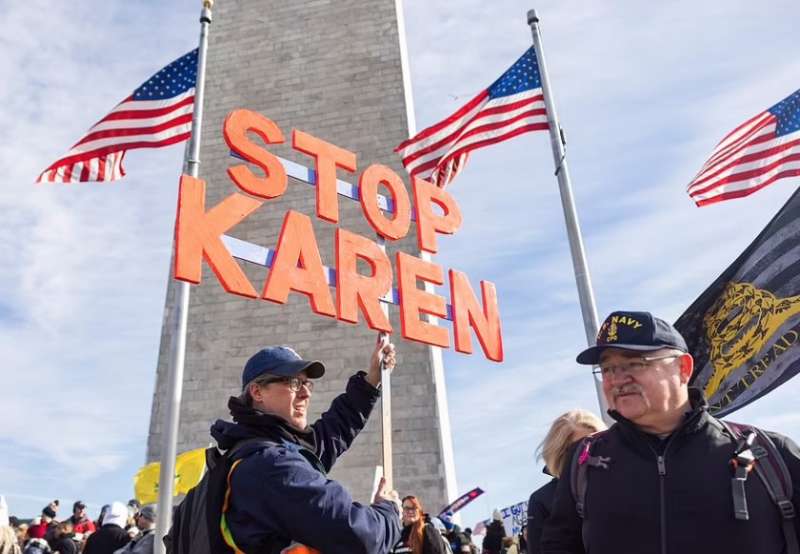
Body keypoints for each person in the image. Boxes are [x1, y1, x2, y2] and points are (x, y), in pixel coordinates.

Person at [541, 310, 800, 554]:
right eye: (607, 369)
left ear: (683, 369)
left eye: (634, 363)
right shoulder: (584, 464)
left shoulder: (769, 454)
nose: (617, 379)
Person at [209, 340, 402, 553]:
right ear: (257, 392)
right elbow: (360, 536)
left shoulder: (261, 451)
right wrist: (388, 513)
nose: (306, 393)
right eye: (293, 383)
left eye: (306, 383)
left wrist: (371, 380)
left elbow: (331, 435)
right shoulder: (271, 465)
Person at [527, 410, 606, 554]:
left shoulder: (626, 480)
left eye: (597, 442)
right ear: (559, 454)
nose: (589, 452)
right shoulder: (542, 500)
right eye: (578, 448)